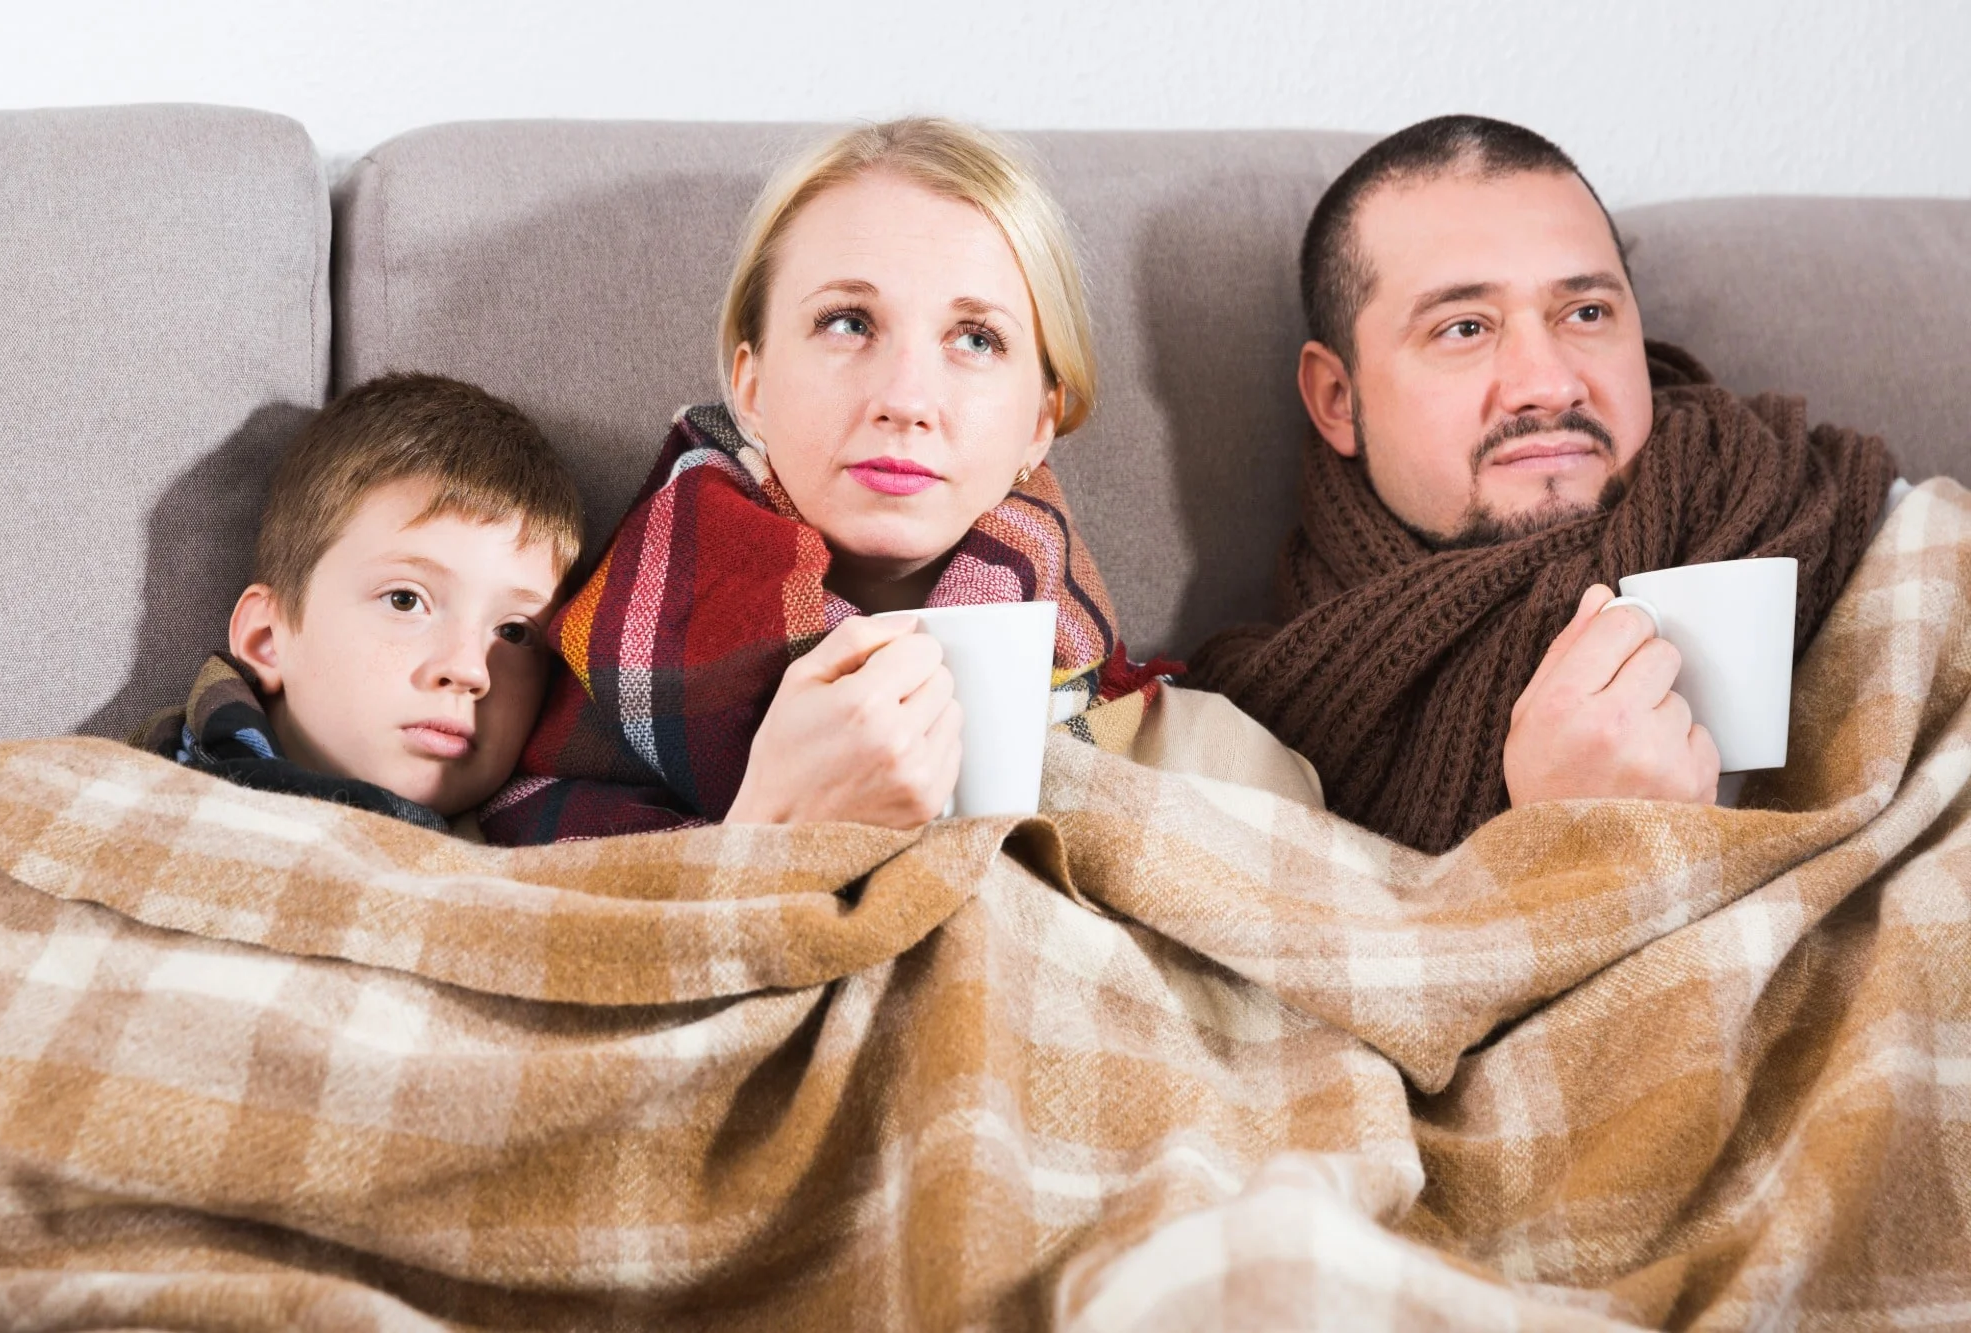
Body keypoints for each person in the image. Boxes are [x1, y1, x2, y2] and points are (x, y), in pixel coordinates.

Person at [1192, 115, 1902, 854]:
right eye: (1464, 327)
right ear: (1339, 397)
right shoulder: (1252, 740)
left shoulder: (1849, 520)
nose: (1551, 384)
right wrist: (1562, 851)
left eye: (1586, 312)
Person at [482, 118, 1169, 845]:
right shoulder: (521, 719)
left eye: (976, 338)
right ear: (751, 388)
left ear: (1040, 421)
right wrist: (768, 822)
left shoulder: (1172, 737)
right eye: (847, 323)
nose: (904, 400)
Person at [136, 373, 583, 832]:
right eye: (406, 600)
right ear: (268, 638)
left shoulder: (544, 843)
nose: (470, 671)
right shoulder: (135, 794)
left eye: (512, 631)